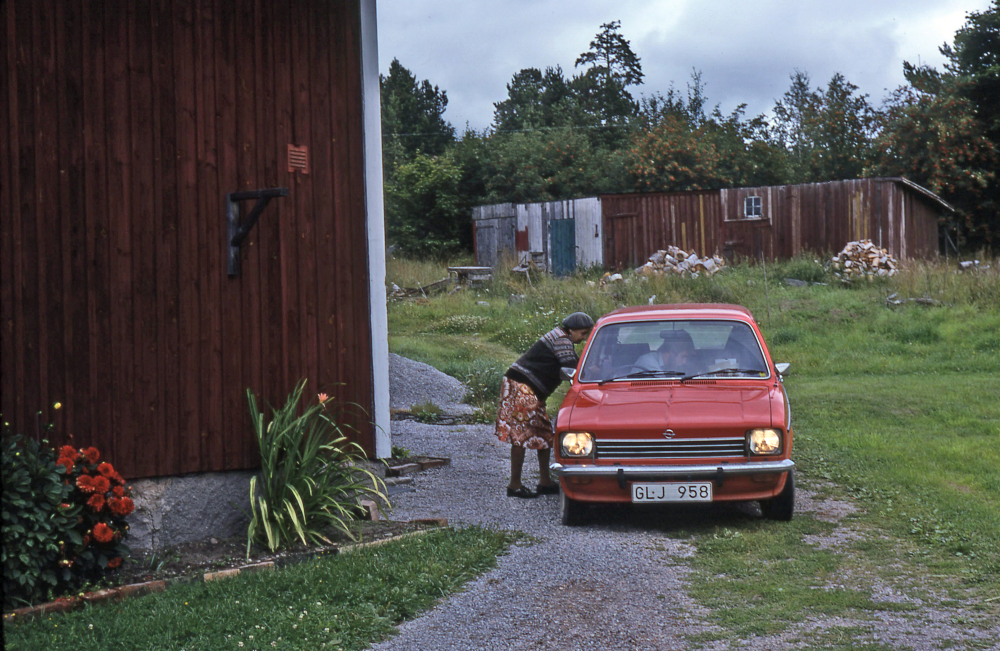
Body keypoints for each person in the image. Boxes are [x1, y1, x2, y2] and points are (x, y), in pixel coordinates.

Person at [495, 312, 593, 498]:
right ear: (571, 330)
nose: (584, 338)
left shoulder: (561, 337)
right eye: (582, 333)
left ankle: (545, 482)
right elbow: (572, 368)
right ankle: (514, 485)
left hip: (525, 386)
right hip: (522, 386)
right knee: (521, 434)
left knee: (544, 433)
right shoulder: (562, 340)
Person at [633, 329, 697, 375]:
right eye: (683, 357)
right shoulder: (648, 363)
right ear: (672, 352)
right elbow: (664, 388)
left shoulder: (670, 365)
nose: (684, 362)